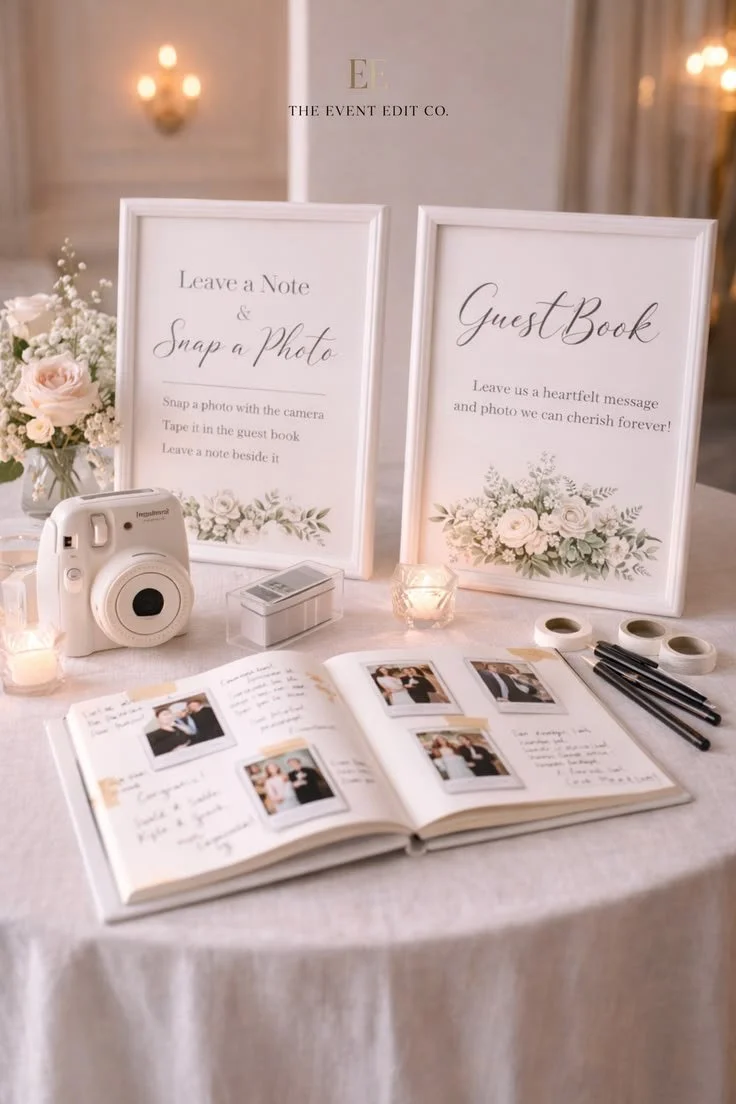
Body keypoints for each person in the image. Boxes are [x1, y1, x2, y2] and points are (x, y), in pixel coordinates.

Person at [477, 663, 545, 703]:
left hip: (518, 690)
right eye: (493, 666)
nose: (496, 667)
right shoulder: (484, 673)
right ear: (487, 668)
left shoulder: (503, 675)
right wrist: (498, 697)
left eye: (496, 666)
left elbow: (515, 680)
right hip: (511, 694)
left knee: (537, 700)